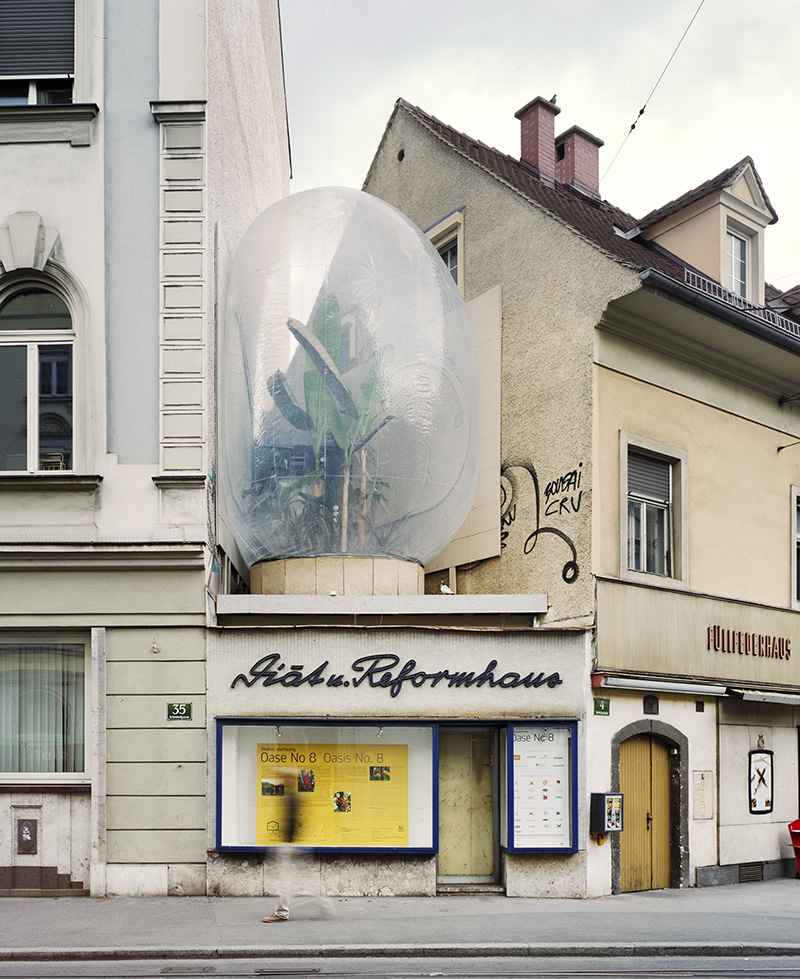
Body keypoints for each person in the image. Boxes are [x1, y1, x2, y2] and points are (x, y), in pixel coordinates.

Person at [262, 767, 334, 923]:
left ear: (290, 780)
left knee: (285, 881)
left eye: (284, 778)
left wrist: (289, 845)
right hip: (290, 845)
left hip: (289, 846)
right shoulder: (292, 796)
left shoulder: (292, 797)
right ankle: (326, 905)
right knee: (301, 881)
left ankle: (282, 913)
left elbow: (292, 823)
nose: (282, 780)